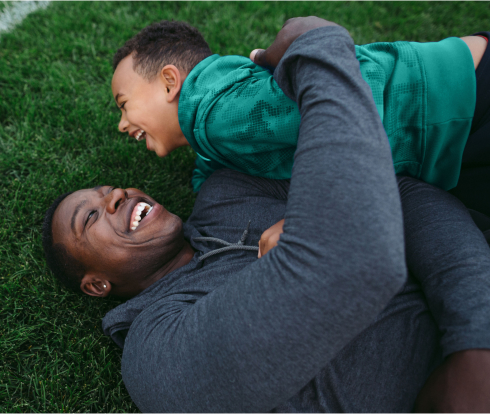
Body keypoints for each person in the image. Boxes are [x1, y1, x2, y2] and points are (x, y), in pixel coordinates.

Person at [44, 19, 490, 411]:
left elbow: (407, 194)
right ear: (97, 283)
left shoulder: (225, 187)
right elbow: (356, 263)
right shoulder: (155, 349)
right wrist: (316, 46)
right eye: (90, 218)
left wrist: (474, 343)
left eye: (108, 190)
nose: (117, 195)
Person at [110, 20, 490, 217]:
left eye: (124, 104)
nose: (122, 125)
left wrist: (310, 217)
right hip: (451, 104)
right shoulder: (212, 121)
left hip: (452, 105)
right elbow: (215, 170)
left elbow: (339, 115)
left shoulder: (218, 116)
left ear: (169, 83)